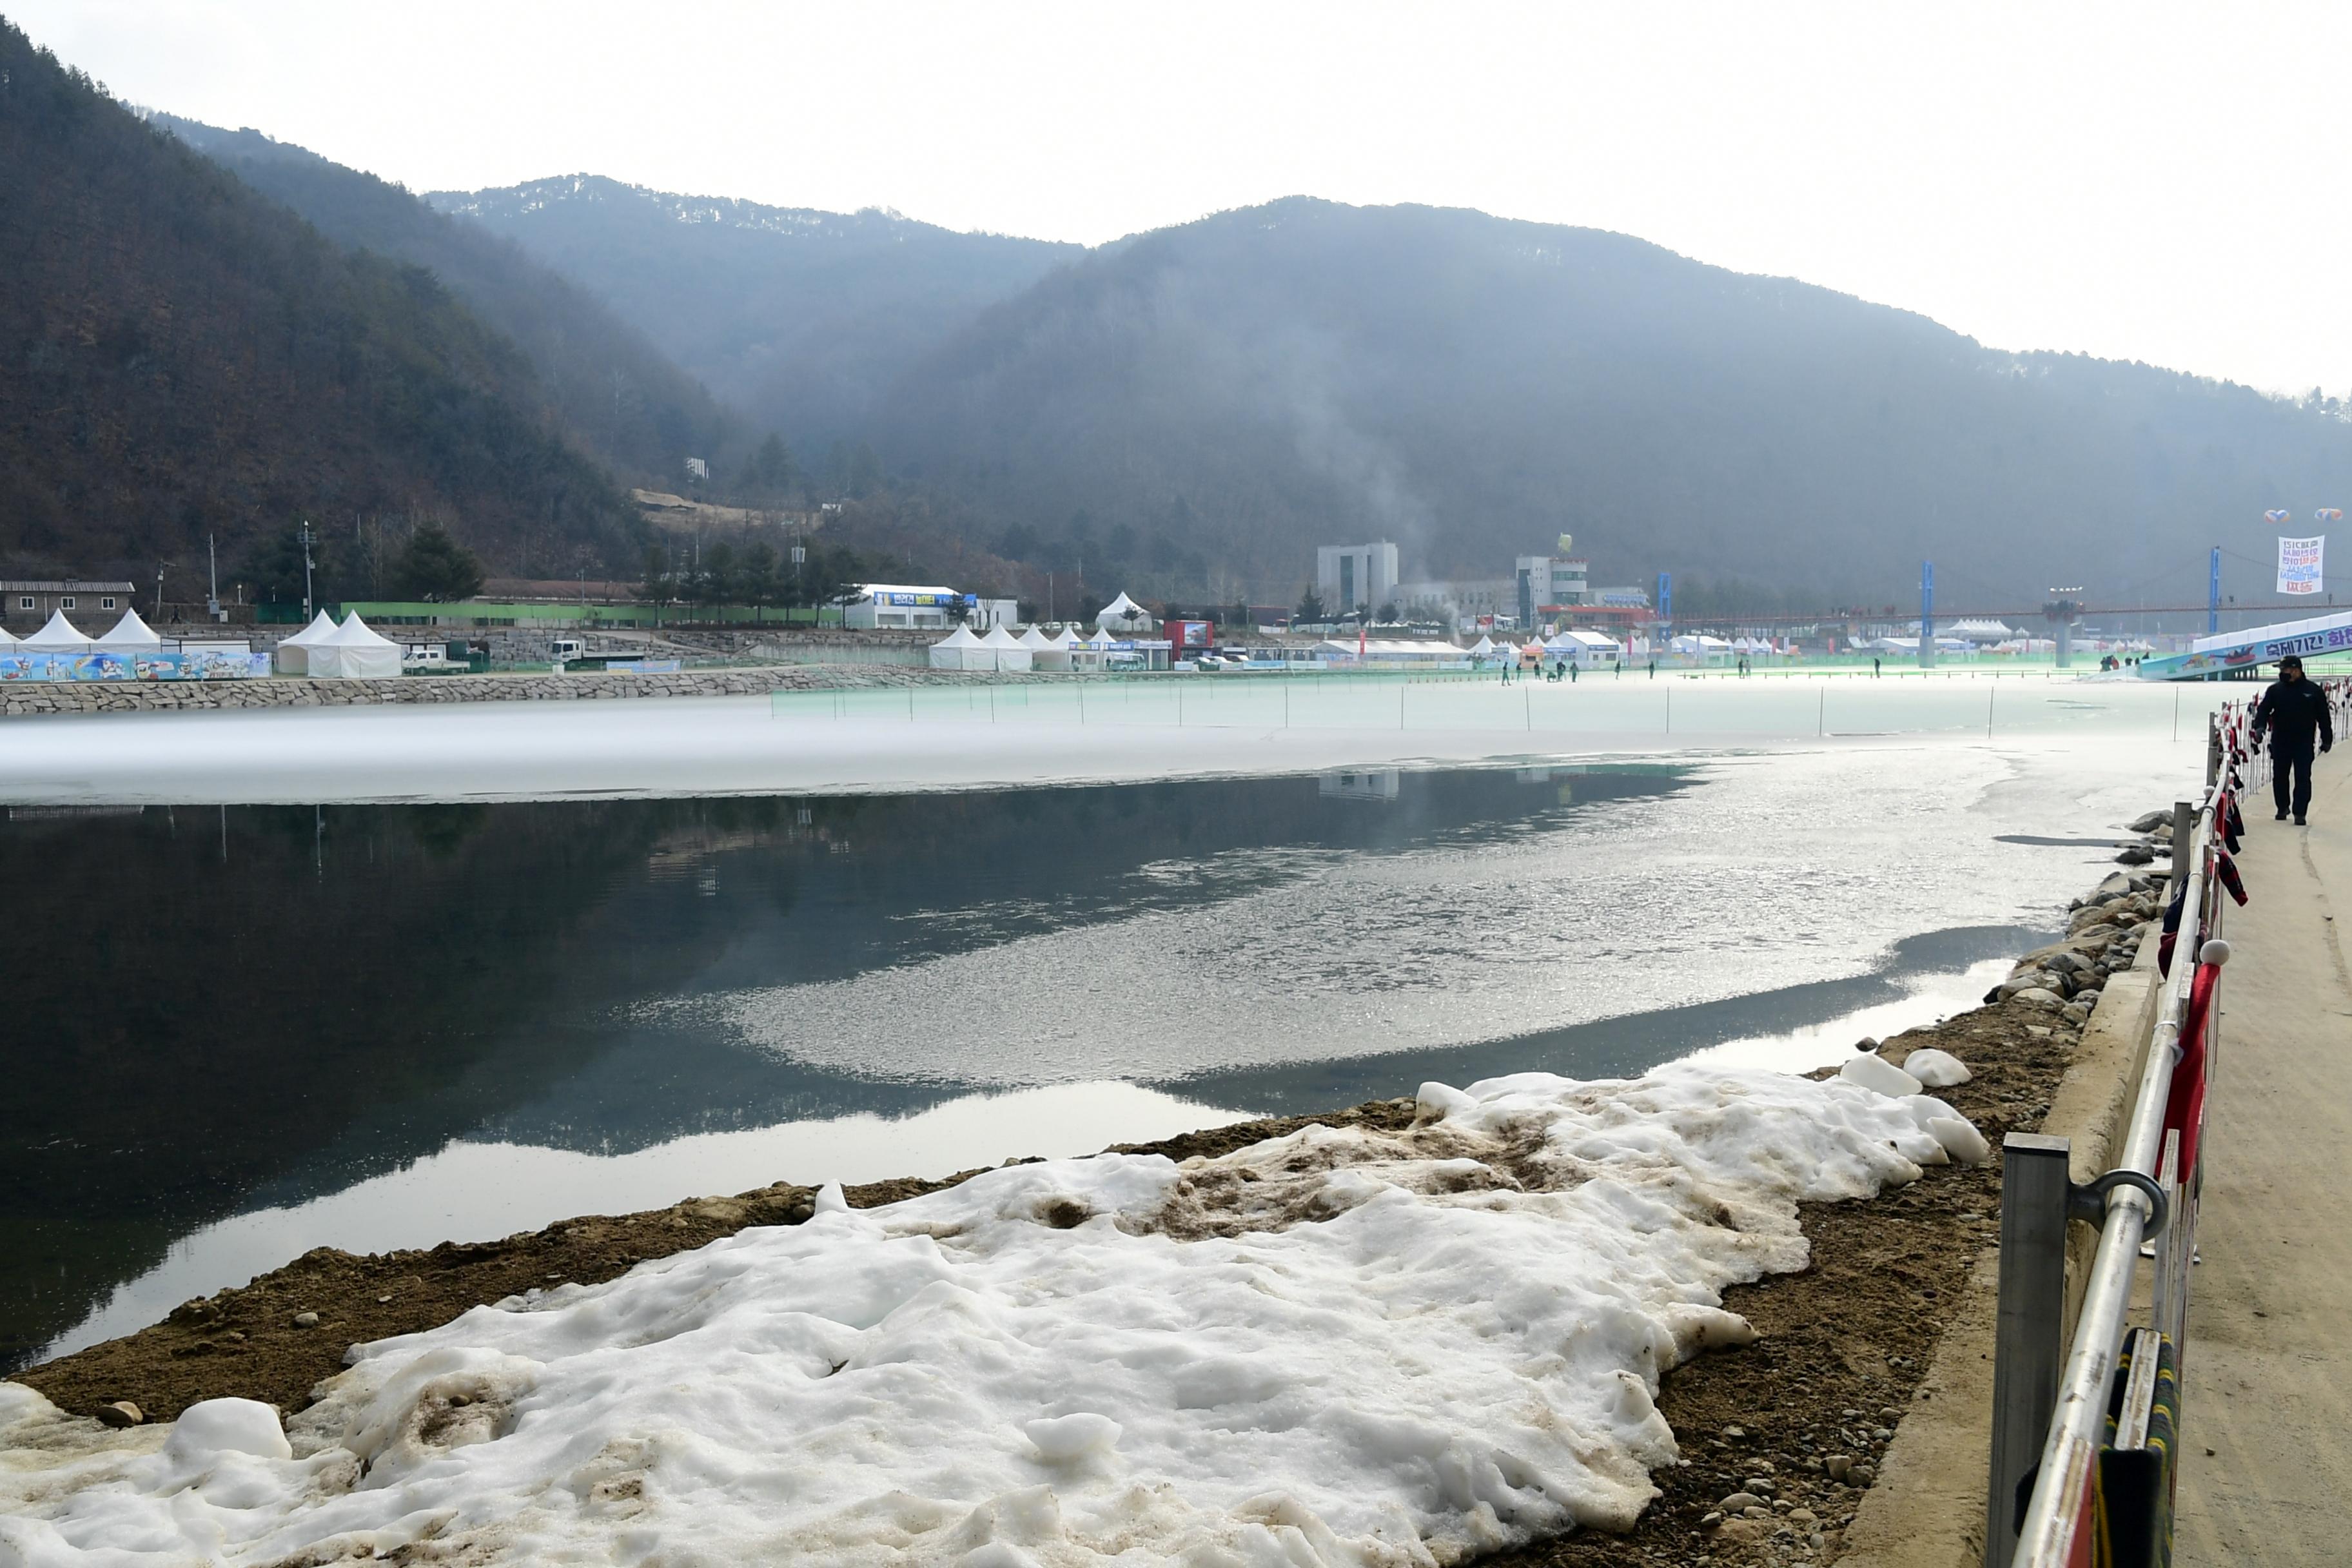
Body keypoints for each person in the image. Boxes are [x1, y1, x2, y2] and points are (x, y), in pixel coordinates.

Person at [2252, 654, 2334, 824]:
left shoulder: (2313, 691)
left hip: (2304, 742)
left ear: (2296, 670)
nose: (2282, 673)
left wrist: (2327, 738)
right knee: (2280, 776)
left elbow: (2324, 717)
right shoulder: (2275, 690)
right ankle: (2282, 807)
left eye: (2285, 669)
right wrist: (2259, 727)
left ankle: (2300, 812)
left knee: (2303, 777)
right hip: (2280, 740)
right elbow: (2263, 710)